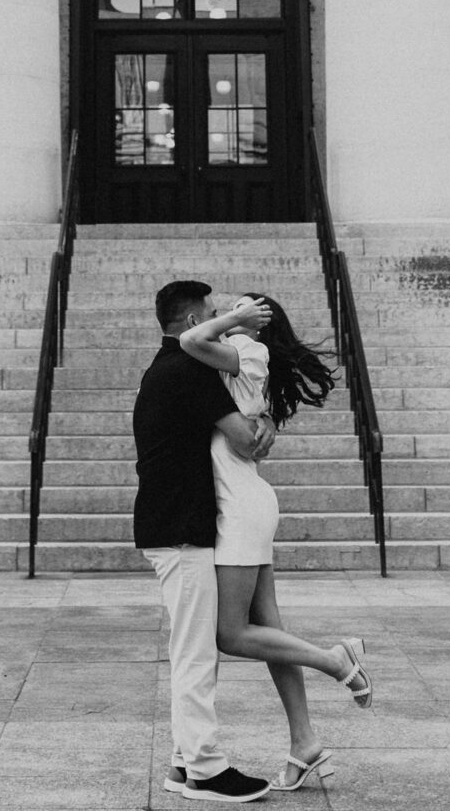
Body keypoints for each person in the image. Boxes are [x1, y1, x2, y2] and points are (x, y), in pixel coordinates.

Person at [180, 292, 373, 791]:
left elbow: (188, 337)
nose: (231, 313)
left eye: (245, 309)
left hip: (239, 508)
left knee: (230, 633)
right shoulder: (239, 359)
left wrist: (235, 321)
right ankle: (304, 741)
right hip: (245, 500)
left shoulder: (248, 349)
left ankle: (336, 660)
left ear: (258, 325)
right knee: (270, 632)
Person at [133, 280, 277, 803]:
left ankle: (180, 762)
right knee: (195, 654)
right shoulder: (188, 371)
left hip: (172, 523)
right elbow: (245, 439)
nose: (223, 320)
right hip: (181, 528)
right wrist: (260, 426)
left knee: (191, 650)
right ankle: (206, 768)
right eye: (214, 314)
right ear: (194, 321)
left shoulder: (164, 367)